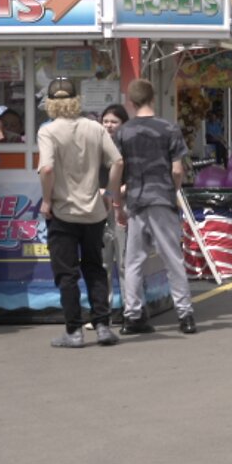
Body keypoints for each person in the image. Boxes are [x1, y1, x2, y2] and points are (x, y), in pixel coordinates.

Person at [38, 77, 122, 348]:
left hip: (63, 212)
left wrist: (47, 200)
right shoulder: (95, 128)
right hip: (94, 212)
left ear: (51, 103)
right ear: (76, 100)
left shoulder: (48, 132)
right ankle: (102, 326)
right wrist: (109, 193)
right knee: (95, 268)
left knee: (67, 273)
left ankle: (74, 331)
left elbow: (47, 168)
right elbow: (117, 161)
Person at [110, 79, 198, 335]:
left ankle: (132, 316)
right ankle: (186, 315)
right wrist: (173, 189)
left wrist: (116, 200)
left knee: (133, 260)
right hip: (162, 199)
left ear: (131, 102)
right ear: (153, 98)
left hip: (136, 201)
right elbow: (178, 170)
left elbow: (118, 167)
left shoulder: (123, 132)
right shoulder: (169, 128)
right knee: (172, 258)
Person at [99, 103, 129, 326]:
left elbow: (135, 176)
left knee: (125, 262)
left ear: (123, 124)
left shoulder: (129, 146)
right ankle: (103, 311)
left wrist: (114, 192)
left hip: (123, 208)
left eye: (114, 122)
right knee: (104, 263)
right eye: (106, 121)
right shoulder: (96, 146)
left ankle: (131, 310)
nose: (109, 125)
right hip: (100, 208)